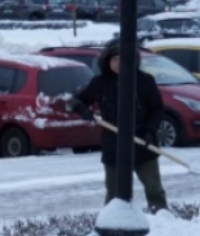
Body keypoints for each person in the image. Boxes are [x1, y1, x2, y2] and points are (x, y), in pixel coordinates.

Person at [70, 39, 168, 213]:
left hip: (143, 143)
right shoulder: (100, 83)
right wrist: (82, 109)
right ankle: (113, 223)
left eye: (123, 59)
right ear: (107, 60)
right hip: (114, 145)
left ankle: (161, 219)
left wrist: (149, 130)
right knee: (115, 194)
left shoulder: (144, 81)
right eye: (115, 59)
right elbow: (75, 101)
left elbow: (157, 109)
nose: (119, 63)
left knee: (154, 190)